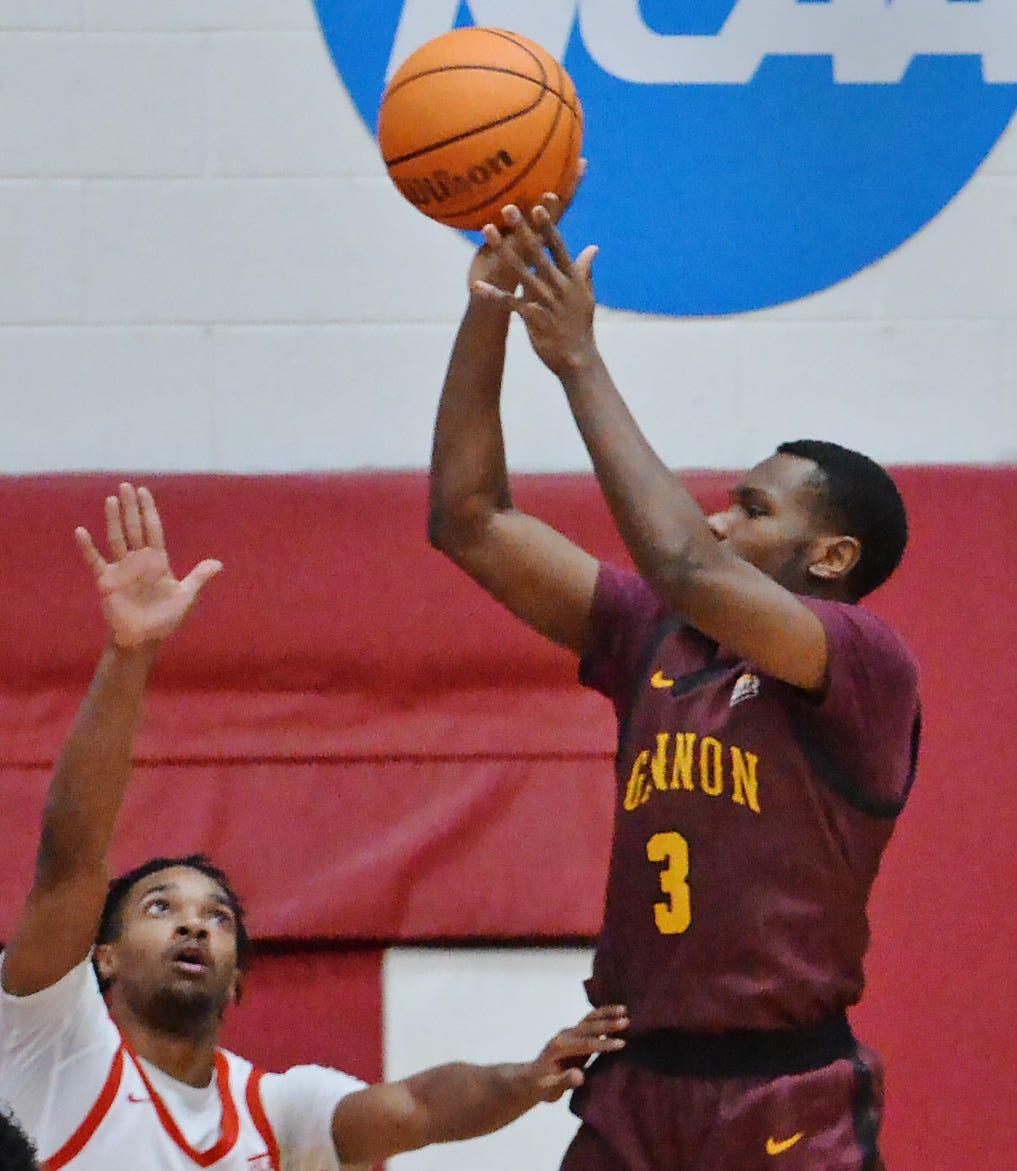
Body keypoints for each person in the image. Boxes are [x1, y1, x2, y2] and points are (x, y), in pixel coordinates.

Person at [428, 197, 921, 1171]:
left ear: (831, 555)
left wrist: (578, 359)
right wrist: (489, 306)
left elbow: (687, 563)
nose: (721, 518)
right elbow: (470, 518)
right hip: (635, 1086)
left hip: (782, 1092)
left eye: (751, 506)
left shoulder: (864, 659)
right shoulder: (652, 634)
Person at [0, 483, 628, 1171]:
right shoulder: (56, 1040)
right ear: (105, 955)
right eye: (161, 907)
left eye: (216, 918)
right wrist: (129, 653)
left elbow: (417, 1107)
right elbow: (70, 856)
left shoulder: (276, 1111)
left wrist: (526, 1078)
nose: (193, 926)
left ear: (238, 975)